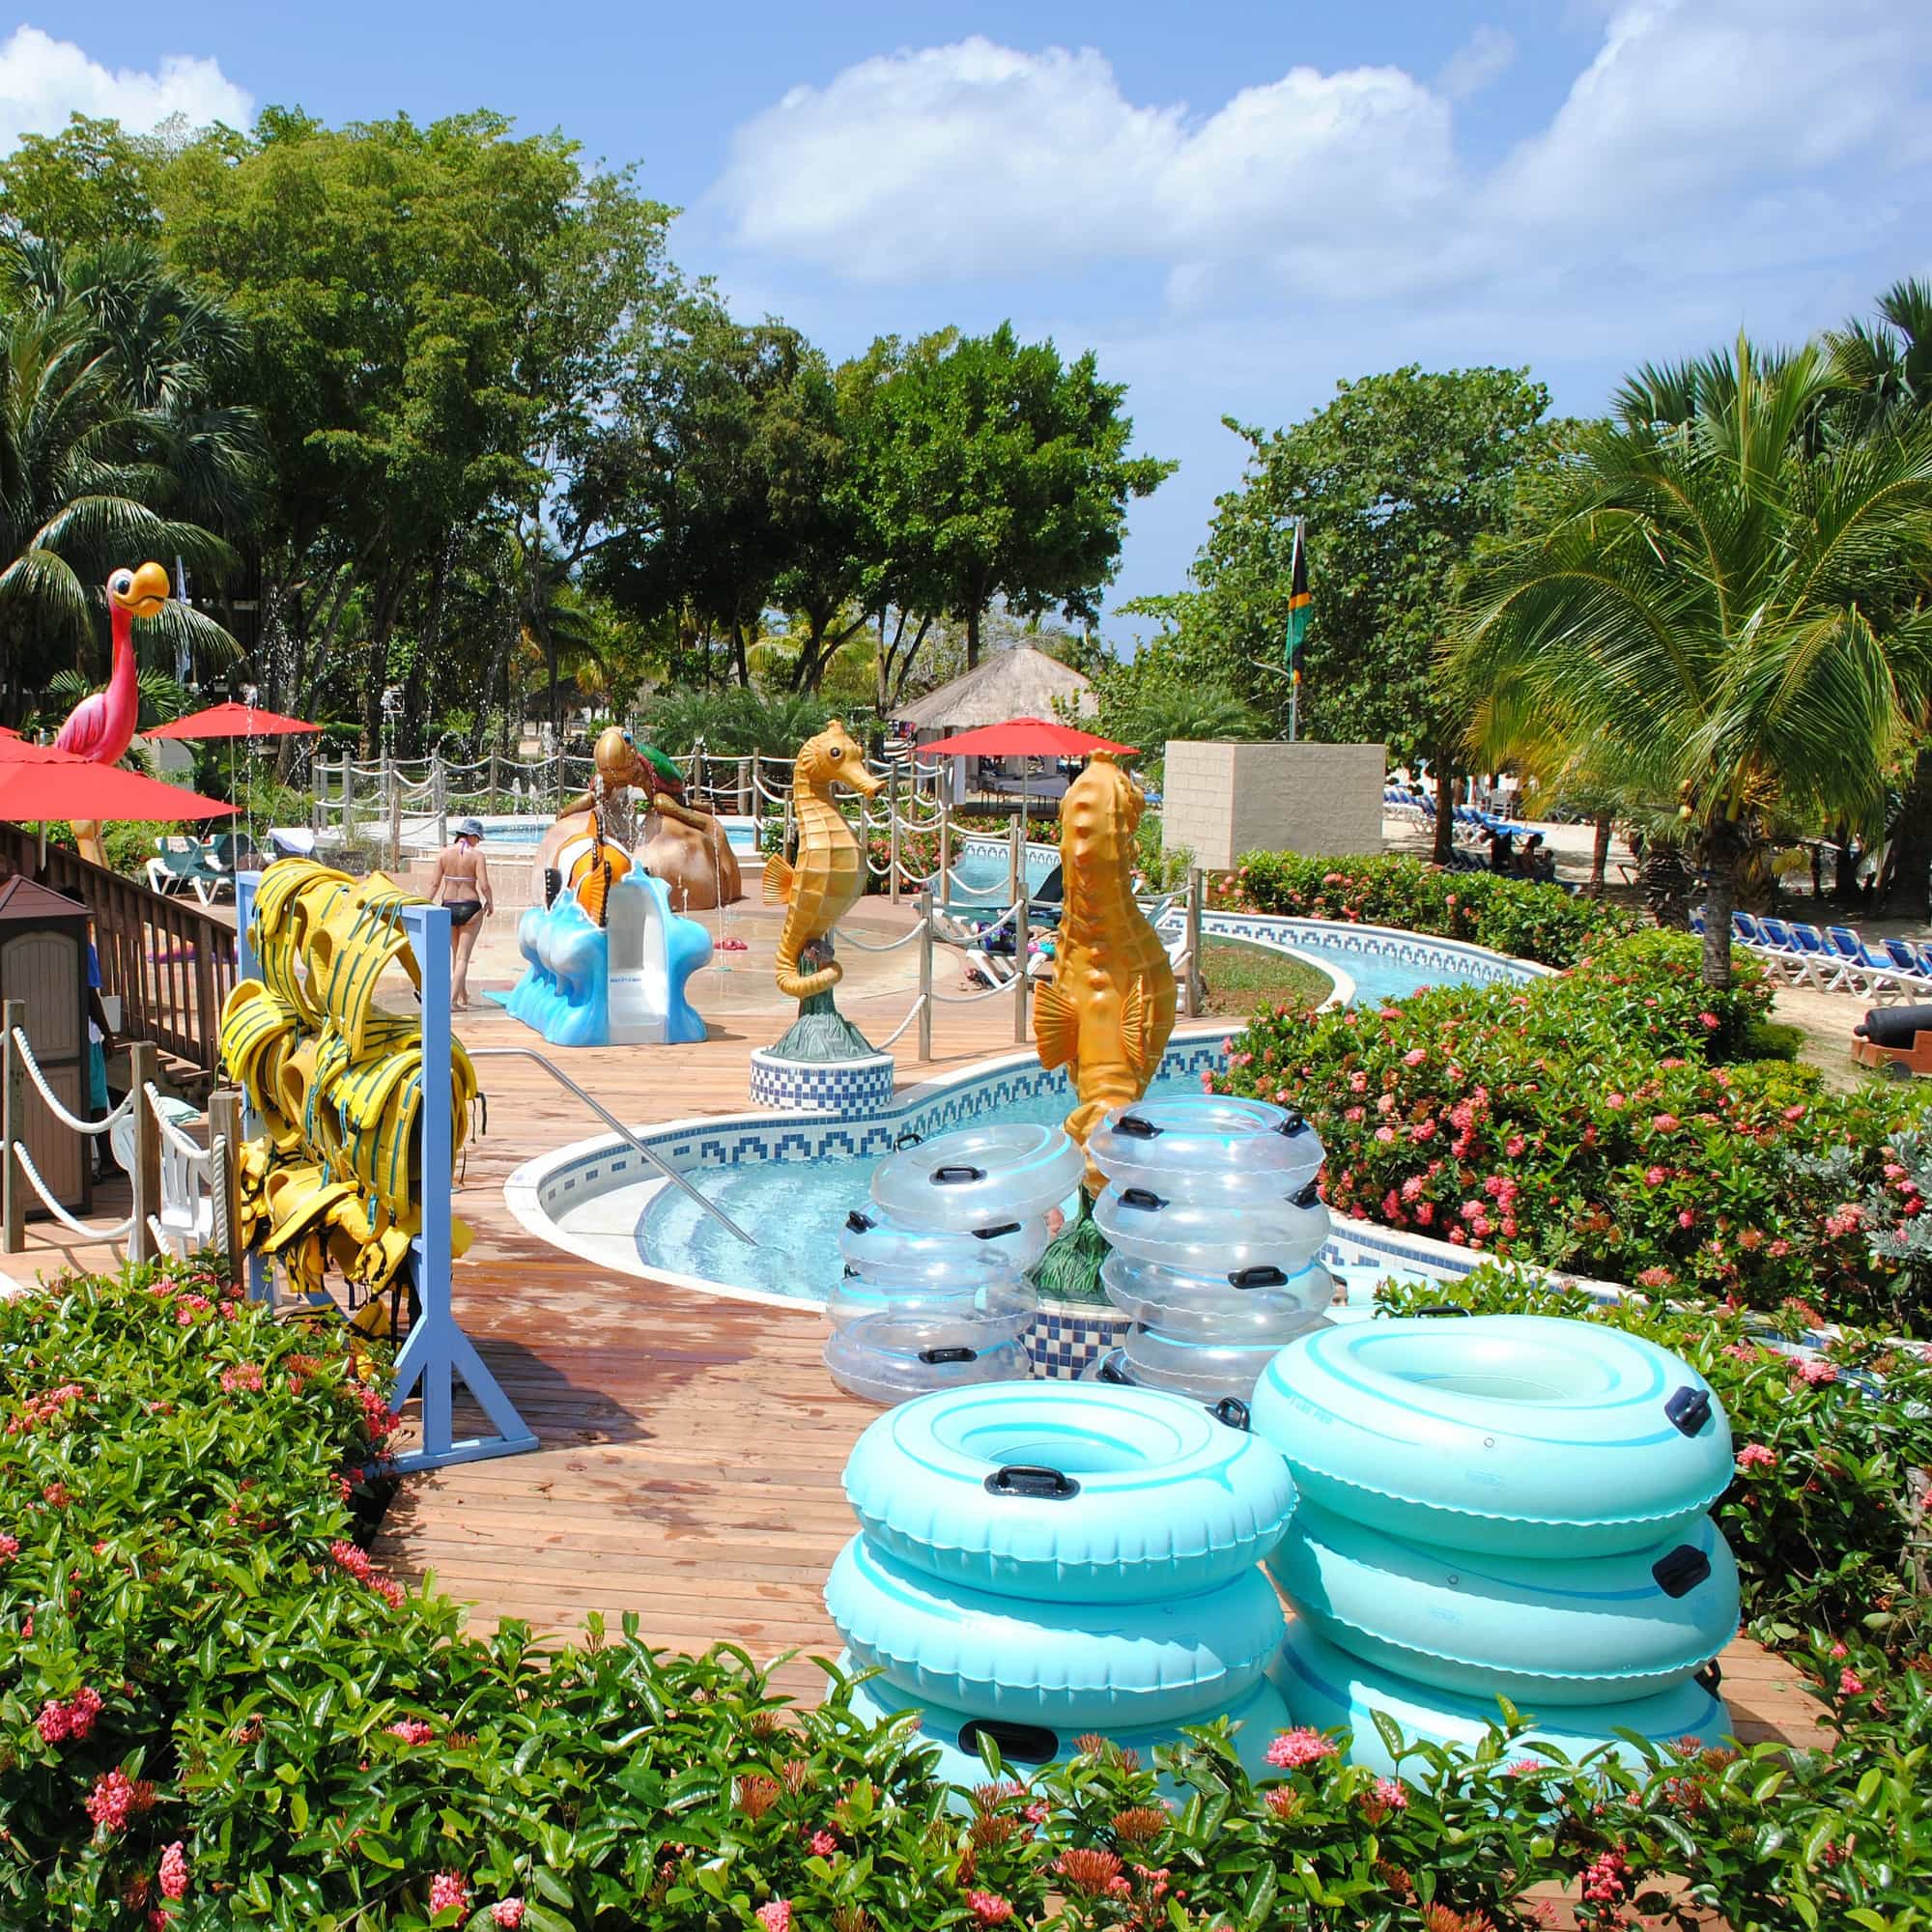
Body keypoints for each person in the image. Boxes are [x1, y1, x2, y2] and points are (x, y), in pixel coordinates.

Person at [427, 818, 493, 1010]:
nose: (478, 842)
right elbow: (484, 885)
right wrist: (491, 901)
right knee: (463, 957)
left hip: (448, 906)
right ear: (471, 836)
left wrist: (423, 903)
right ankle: (452, 1001)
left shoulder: (444, 854)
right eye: (478, 838)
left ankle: (462, 995)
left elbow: (434, 885)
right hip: (470, 907)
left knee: (456, 955)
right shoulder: (477, 856)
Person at [84, 926, 115, 1180]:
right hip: (87, 1034)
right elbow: (91, 995)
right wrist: (108, 1033)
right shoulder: (85, 948)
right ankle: (105, 1159)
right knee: (95, 1099)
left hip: (58, 1033)